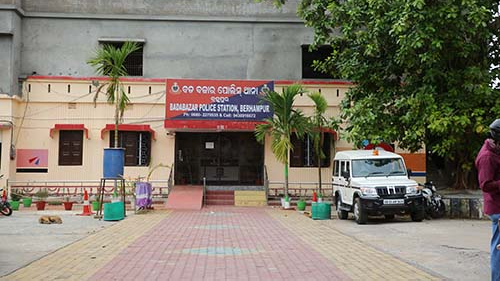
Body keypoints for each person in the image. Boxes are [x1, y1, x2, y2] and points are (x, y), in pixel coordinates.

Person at [476, 118, 500, 281]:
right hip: (498, 208)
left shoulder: (495, 150)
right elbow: (485, 184)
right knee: (499, 250)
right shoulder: (487, 157)